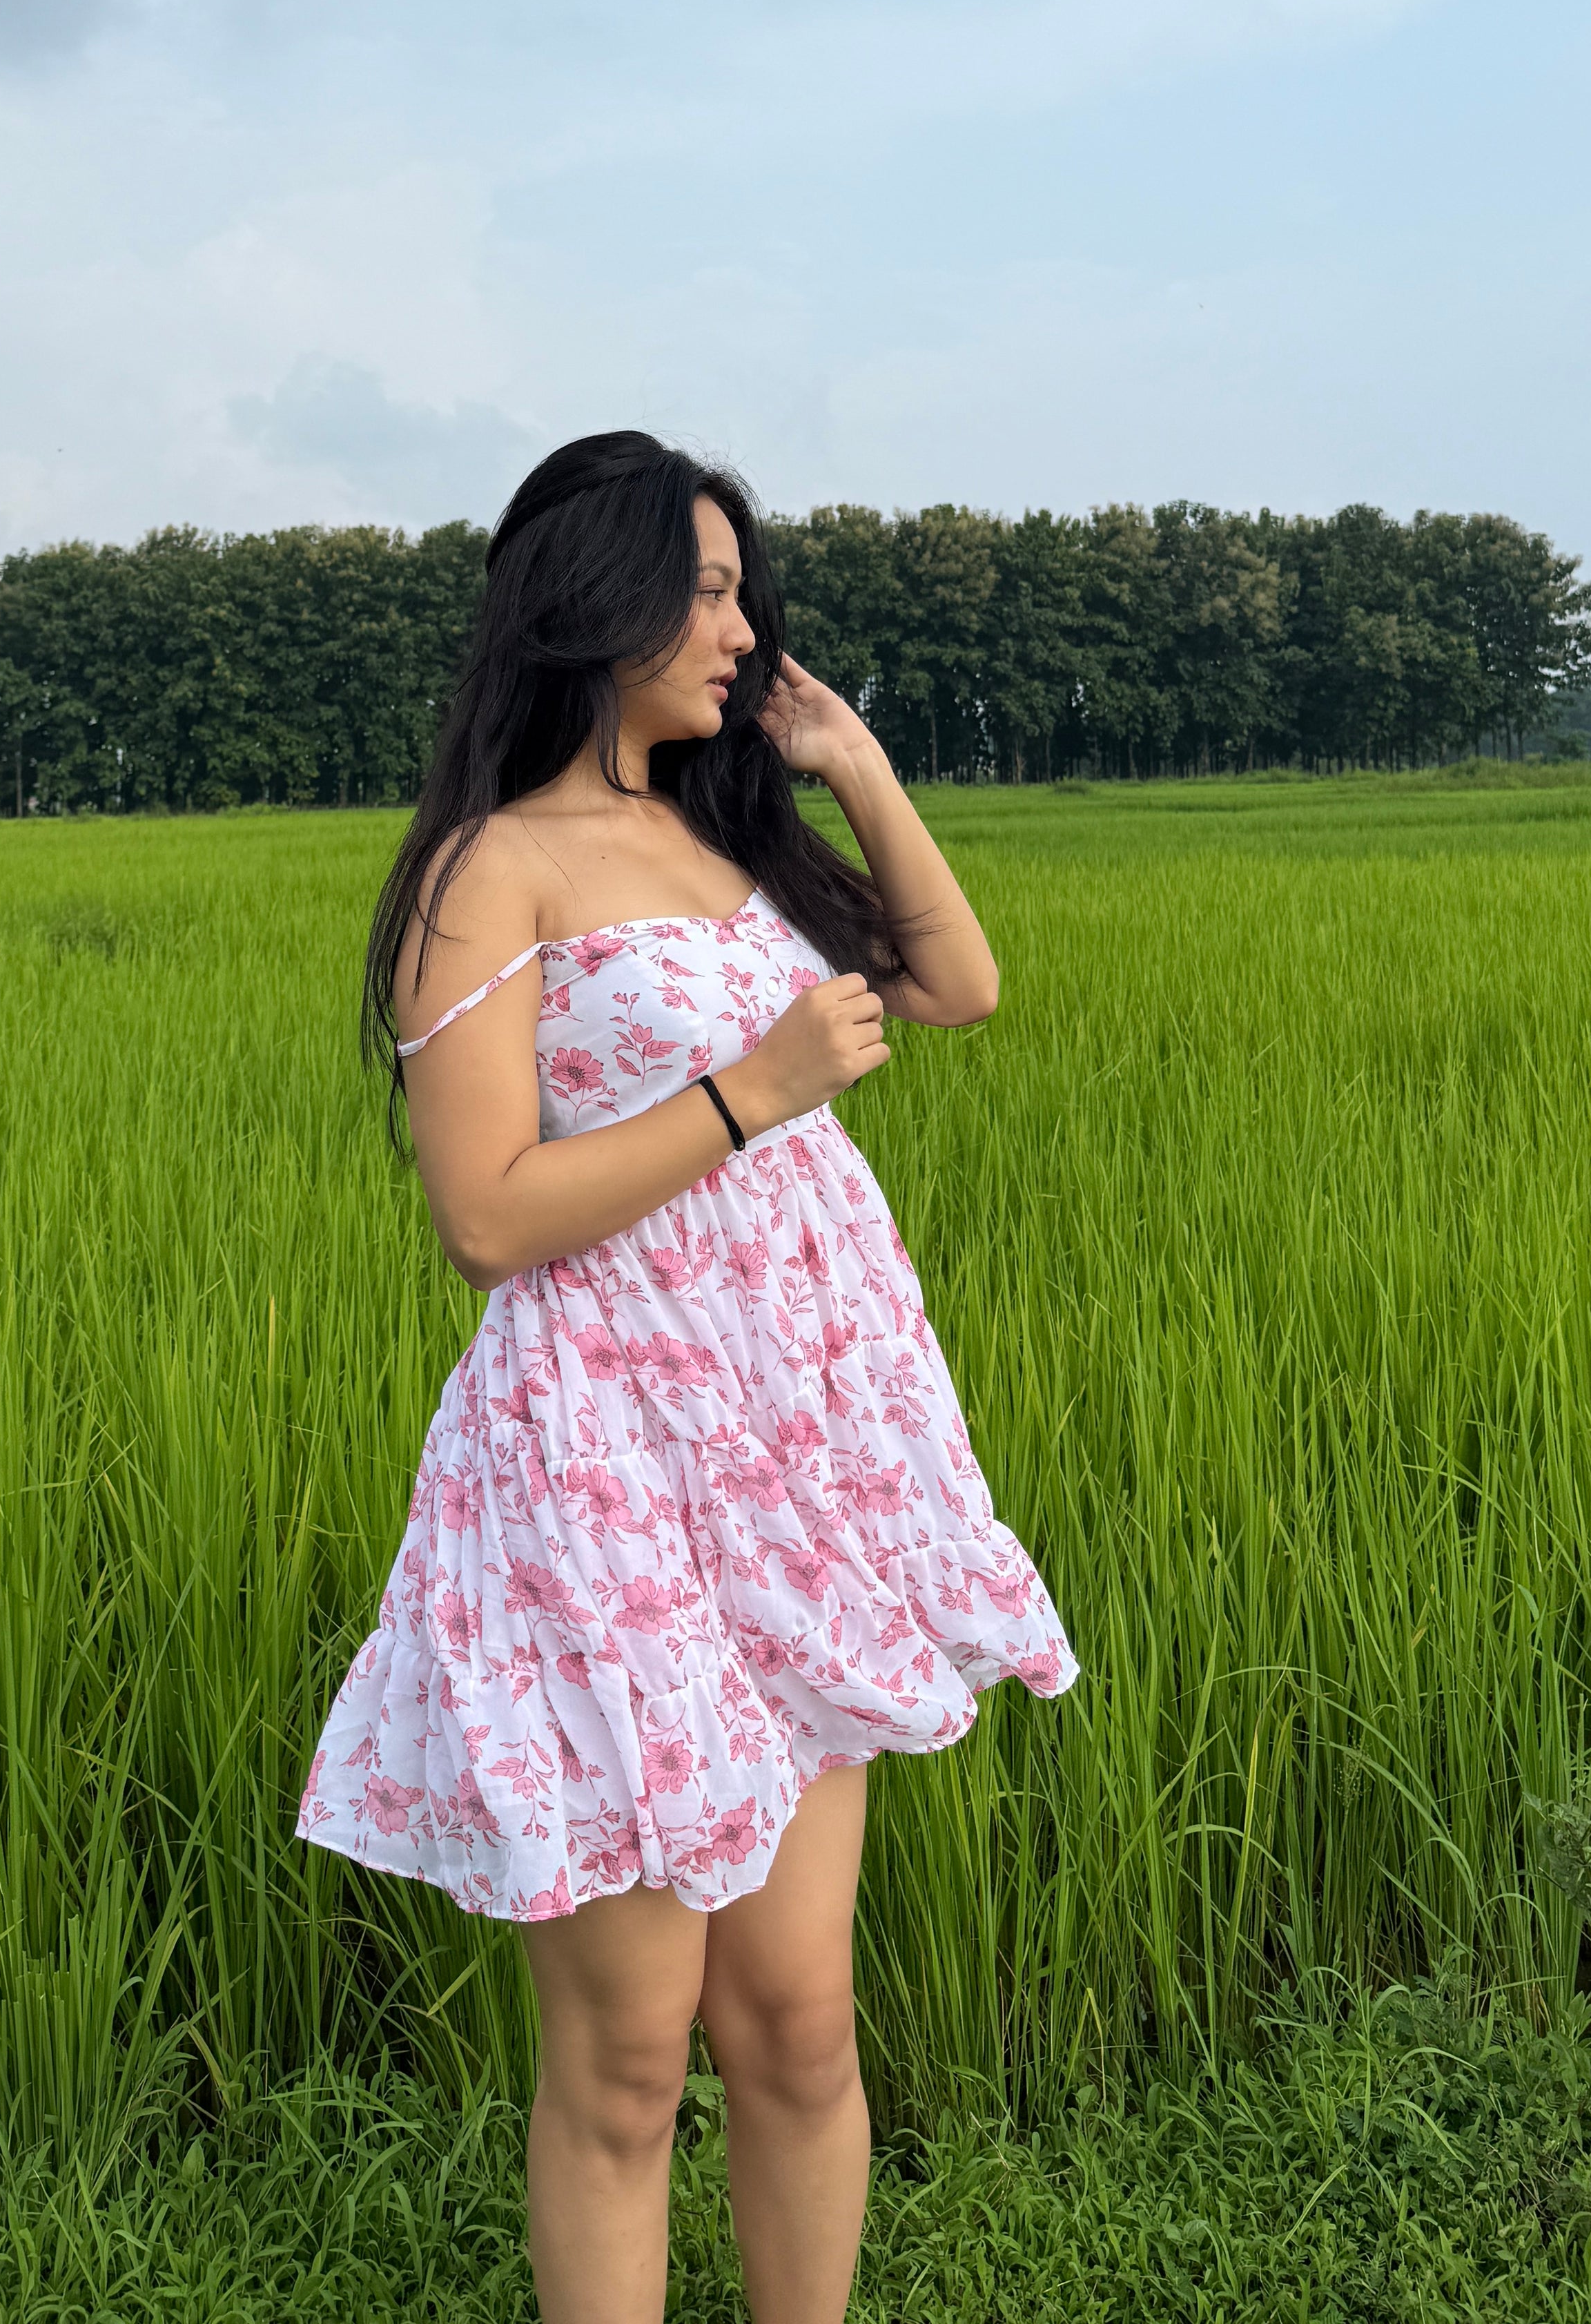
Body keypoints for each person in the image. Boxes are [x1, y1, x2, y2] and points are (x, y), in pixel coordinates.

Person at [298, 432, 1075, 2324]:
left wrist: (859, 769)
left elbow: (957, 985)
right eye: (707, 590)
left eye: (745, 591)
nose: (739, 628)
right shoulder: (492, 873)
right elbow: (486, 1214)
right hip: (606, 1483)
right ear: (602, 600)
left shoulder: (728, 833)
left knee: (801, 2019)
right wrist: (755, 1092)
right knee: (635, 2053)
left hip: (801, 1457)